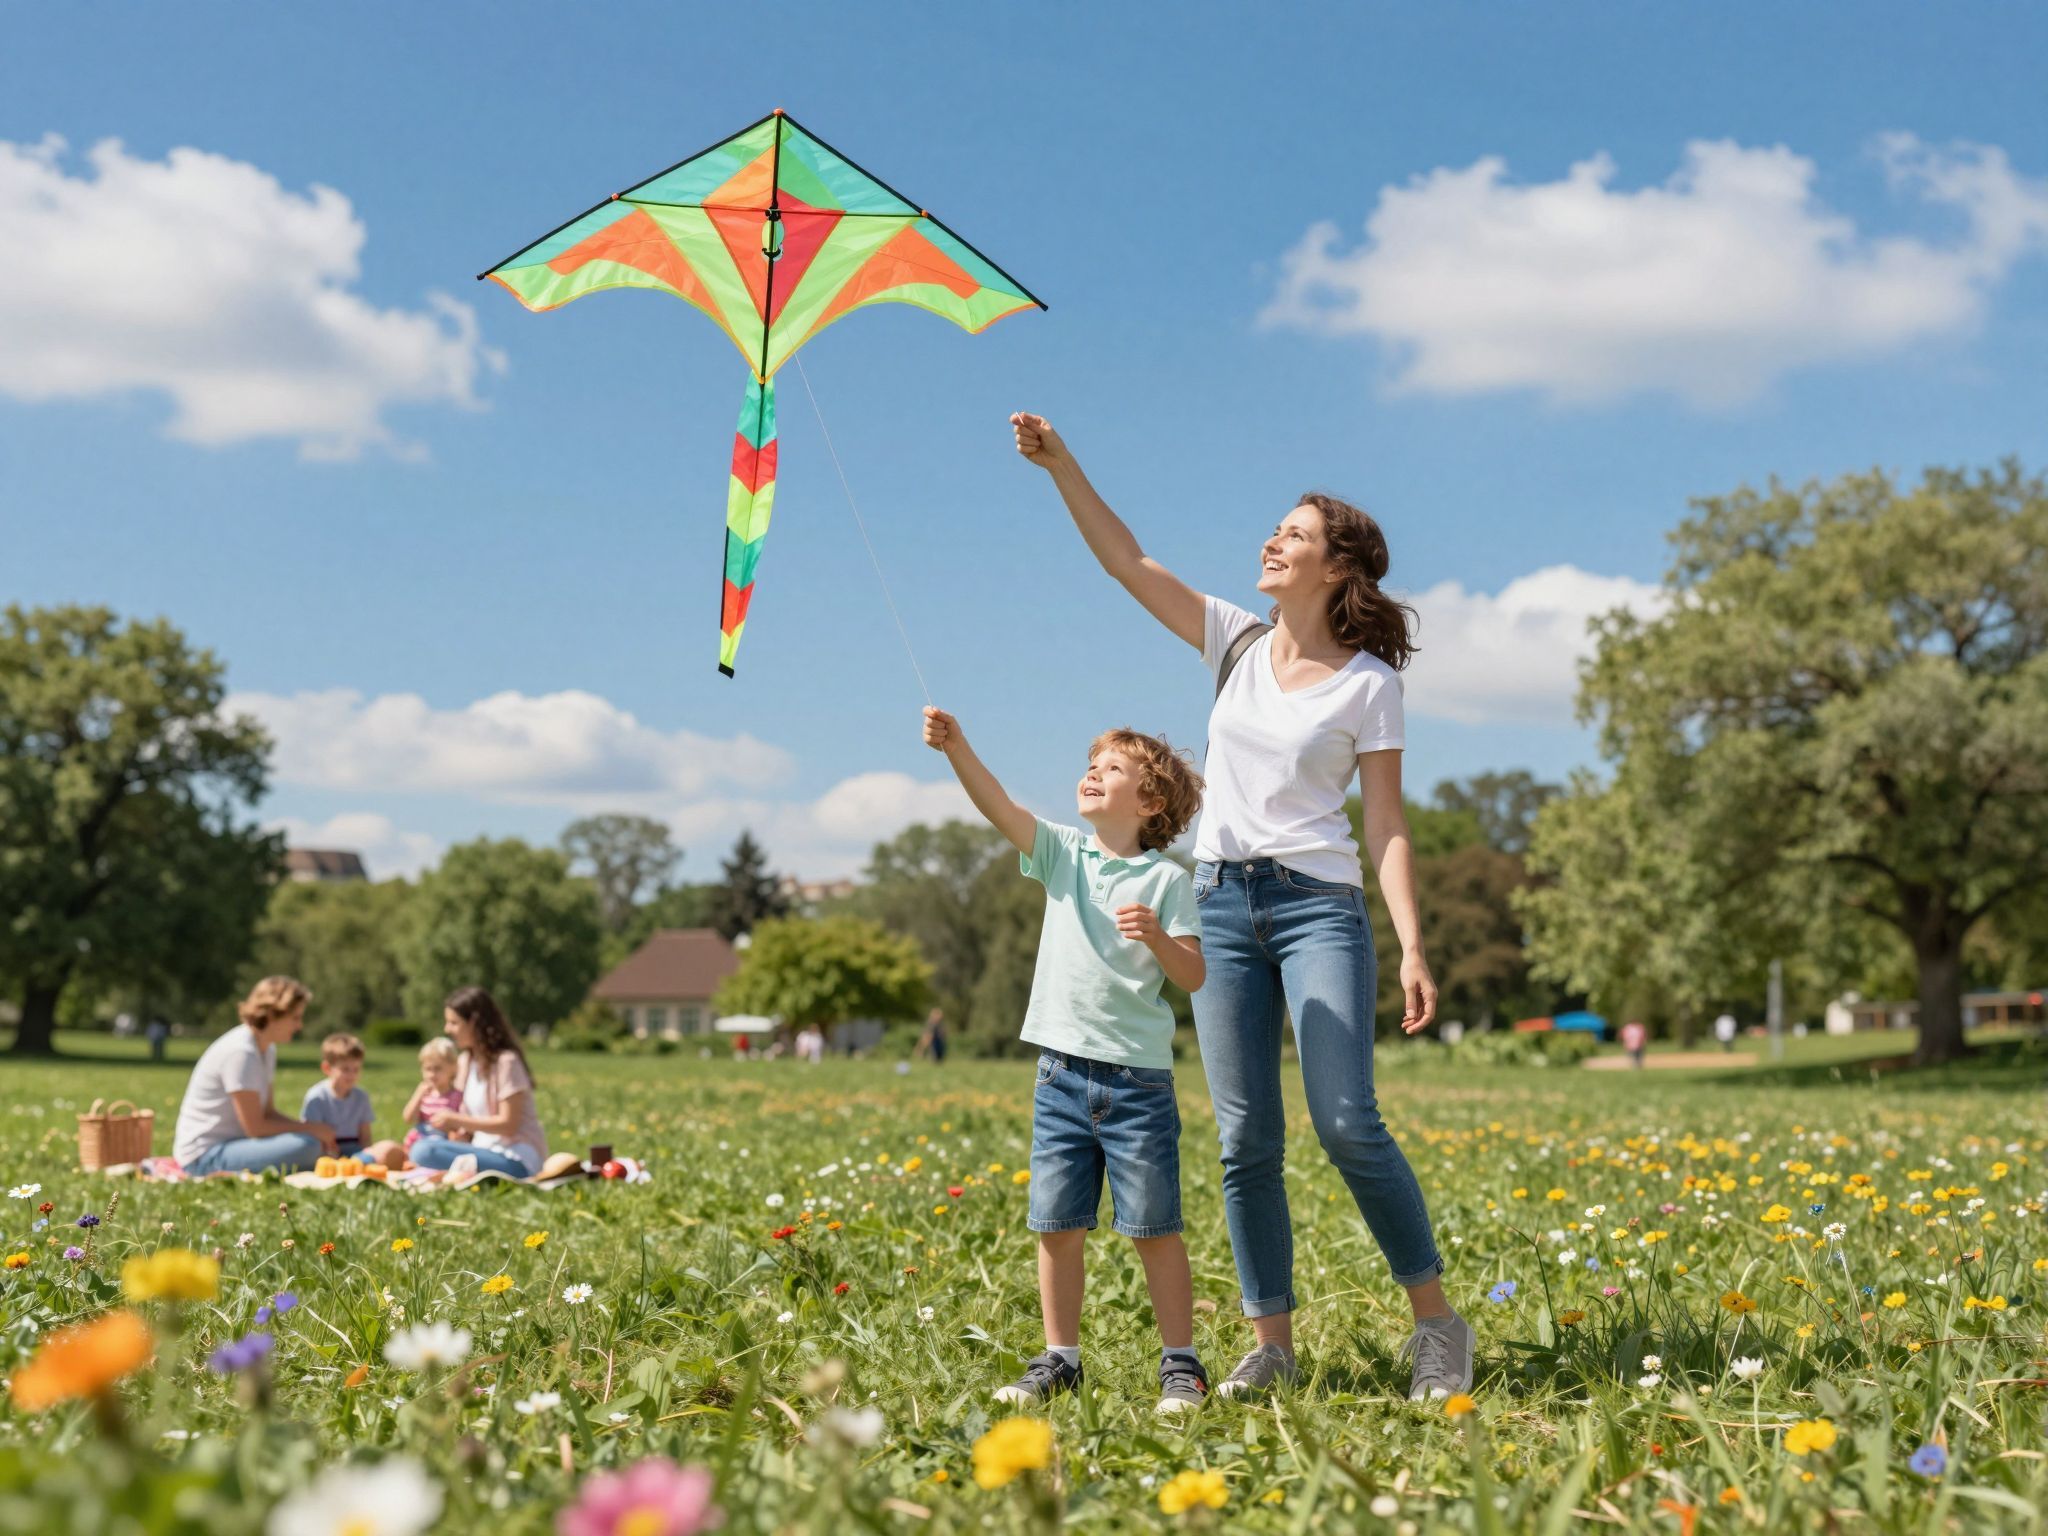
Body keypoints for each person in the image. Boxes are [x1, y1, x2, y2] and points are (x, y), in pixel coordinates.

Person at [1012, 411, 1468, 1402]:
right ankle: (1269, 1344)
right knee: (1243, 1135)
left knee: (1346, 1119)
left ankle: (1435, 1324)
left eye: (1293, 534)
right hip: (1218, 901)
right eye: (1276, 529)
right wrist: (1061, 467)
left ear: (1337, 569)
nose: (1271, 541)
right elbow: (1128, 563)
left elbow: (1383, 823)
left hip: (1317, 908)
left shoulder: (1368, 685)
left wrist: (1411, 945)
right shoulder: (1234, 640)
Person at [925, 704, 1211, 1416]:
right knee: (1056, 1224)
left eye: (1113, 768)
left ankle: (1181, 1362)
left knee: (1154, 1227)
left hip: (1137, 1083)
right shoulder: (1061, 853)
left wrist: (1157, 939)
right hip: (1059, 1075)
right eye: (1092, 764)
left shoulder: (1168, 882)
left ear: (1150, 803)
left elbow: (1194, 975)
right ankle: (1061, 1357)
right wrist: (959, 747)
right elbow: (1000, 806)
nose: (1093, 772)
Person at [172, 977, 335, 1175]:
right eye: (295, 1017)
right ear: (273, 1014)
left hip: (235, 1144)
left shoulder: (266, 1049)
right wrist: (310, 1130)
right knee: (307, 1146)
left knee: (310, 1143)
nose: (299, 1026)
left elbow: (268, 1113)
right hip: (204, 1156)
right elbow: (255, 1128)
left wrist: (311, 1129)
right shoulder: (241, 1052)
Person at [405, 988, 550, 1180]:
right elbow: (467, 1119)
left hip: (514, 1157)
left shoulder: (506, 1062)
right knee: (423, 1147)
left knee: (424, 1151)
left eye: (454, 1023)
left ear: (474, 1022)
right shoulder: (465, 1062)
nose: (447, 1029)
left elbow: (509, 1125)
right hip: (480, 1150)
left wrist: (457, 1120)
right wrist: (459, 1133)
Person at [370, 1038, 466, 1170]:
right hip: (417, 1140)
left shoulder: (457, 1096)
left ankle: (418, 1166)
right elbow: (408, 1118)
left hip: (441, 1143)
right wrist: (418, 1095)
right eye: (428, 1069)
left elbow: (461, 1124)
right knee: (387, 1149)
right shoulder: (424, 1093)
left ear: (453, 1069)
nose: (432, 1074)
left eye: (437, 1069)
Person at [300, 1034, 374, 1159]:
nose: (351, 1075)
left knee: (387, 1149)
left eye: (356, 1069)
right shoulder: (317, 1097)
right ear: (327, 1068)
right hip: (324, 1152)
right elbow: (312, 1134)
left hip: (355, 1152)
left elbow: (365, 1136)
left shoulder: (361, 1097)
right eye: (345, 1069)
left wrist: (368, 1155)